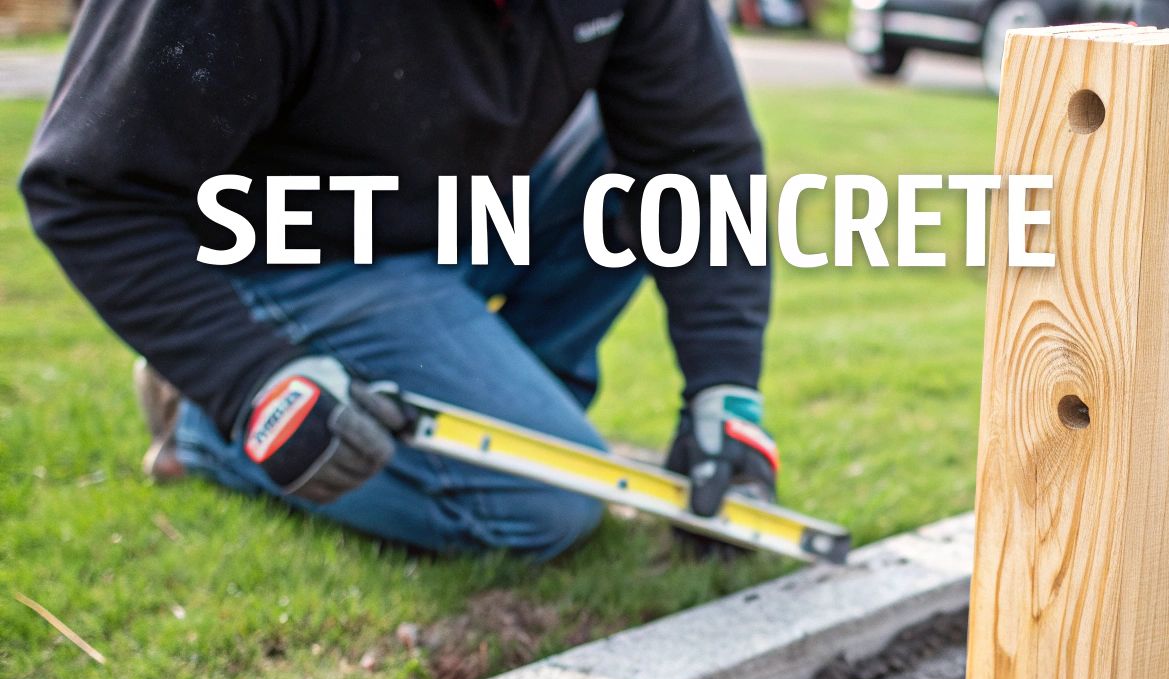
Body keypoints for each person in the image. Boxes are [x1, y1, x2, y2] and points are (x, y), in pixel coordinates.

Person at [21, 0, 779, 560]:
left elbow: (698, 160)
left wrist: (725, 388)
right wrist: (244, 376)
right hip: (294, 253)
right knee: (545, 510)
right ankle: (198, 423)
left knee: (631, 172)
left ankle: (520, 409)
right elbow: (89, 193)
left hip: (462, 205)